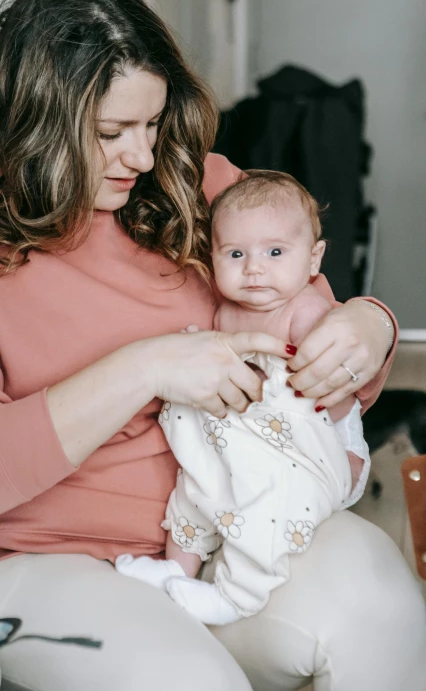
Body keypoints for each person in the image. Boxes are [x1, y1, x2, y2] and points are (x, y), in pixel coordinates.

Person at [0, 0, 424, 691]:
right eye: (112, 132)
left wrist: (369, 327)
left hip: (230, 525)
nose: (143, 156)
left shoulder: (191, 182)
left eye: (151, 123)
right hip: (37, 560)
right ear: (35, 120)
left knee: (386, 608)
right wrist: (148, 365)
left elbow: (318, 330)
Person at [116, 171, 370, 626]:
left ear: (314, 260)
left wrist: (346, 453)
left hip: (311, 451)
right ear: (213, 258)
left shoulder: (305, 310)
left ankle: (238, 596)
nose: (254, 267)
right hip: (247, 439)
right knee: (196, 484)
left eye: (274, 252)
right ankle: (178, 569)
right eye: (235, 254)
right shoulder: (226, 308)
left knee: (263, 505)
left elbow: (329, 393)